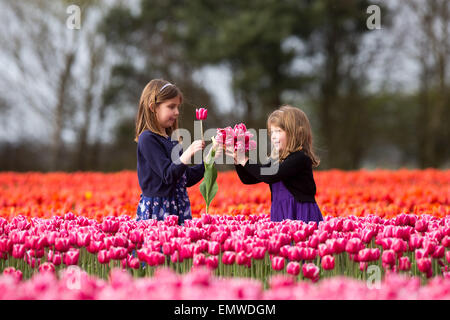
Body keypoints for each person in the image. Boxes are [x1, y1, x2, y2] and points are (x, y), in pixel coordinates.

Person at [229, 105, 323, 225]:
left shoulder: (299, 158)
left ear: (296, 133)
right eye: (271, 132)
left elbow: (271, 175)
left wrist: (245, 161)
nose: (273, 136)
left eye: (278, 131)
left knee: (301, 242)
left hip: (300, 213)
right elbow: (248, 179)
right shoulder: (276, 160)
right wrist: (238, 161)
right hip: (280, 212)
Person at [134, 79, 205, 225]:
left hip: (179, 205)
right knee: (160, 247)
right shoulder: (147, 139)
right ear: (153, 107)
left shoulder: (172, 140)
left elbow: (185, 178)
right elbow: (168, 175)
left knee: (179, 247)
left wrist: (208, 162)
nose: (177, 112)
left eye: (177, 107)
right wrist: (188, 152)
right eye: (171, 107)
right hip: (159, 209)